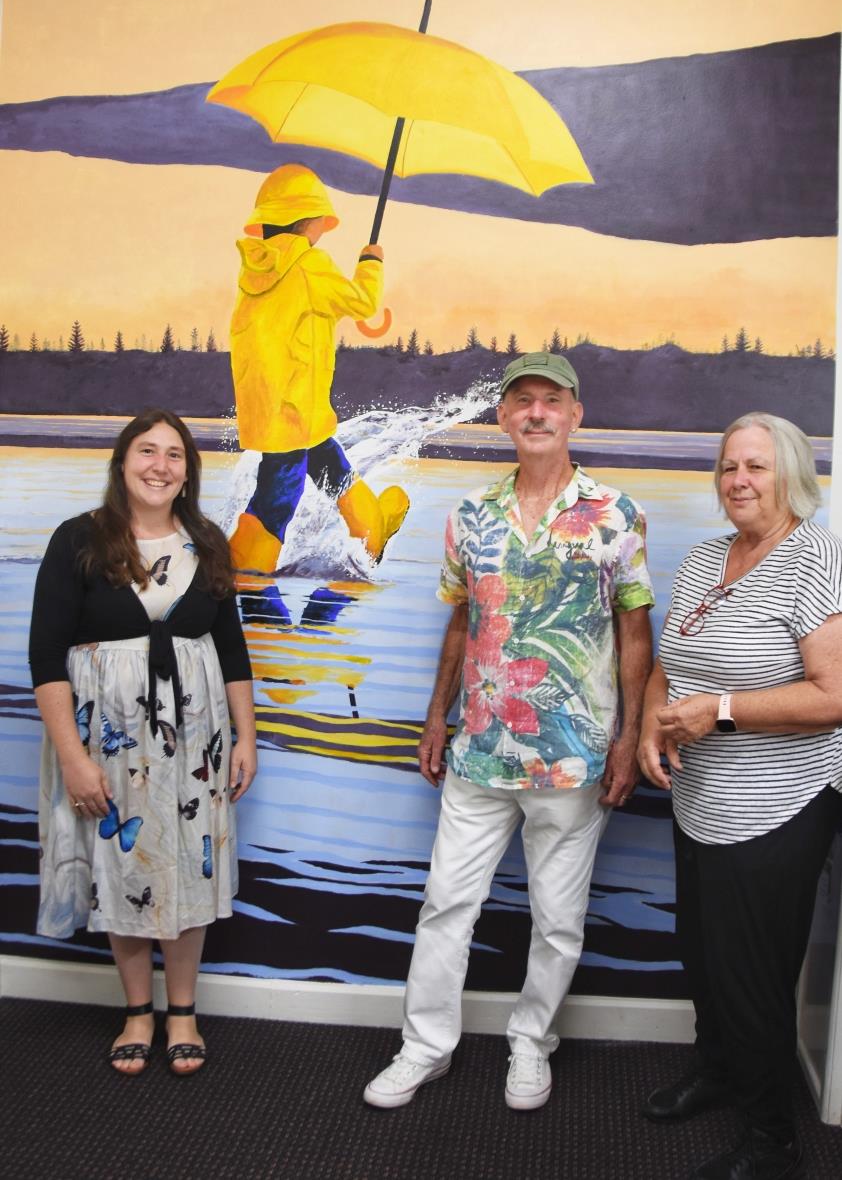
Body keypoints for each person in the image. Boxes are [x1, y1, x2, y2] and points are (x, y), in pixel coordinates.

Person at [363, 351, 654, 1110]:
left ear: (574, 414)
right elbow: (463, 620)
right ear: (503, 417)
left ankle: (531, 1044)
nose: (536, 412)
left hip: (574, 757)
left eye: (551, 400)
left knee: (557, 923)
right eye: (522, 400)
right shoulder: (471, 514)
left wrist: (628, 738)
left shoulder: (616, 513)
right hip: (480, 753)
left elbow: (634, 633)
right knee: (444, 907)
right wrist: (437, 715)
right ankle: (424, 1048)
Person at [638, 412, 842, 1180]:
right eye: (728, 467)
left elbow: (834, 695)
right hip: (700, 800)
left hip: (777, 805)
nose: (739, 481)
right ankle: (719, 1071)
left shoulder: (815, 558)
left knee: (751, 975)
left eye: (756, 466)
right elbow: (669, 663)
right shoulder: (705, 557)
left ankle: (771, 1139)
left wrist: (718, 712)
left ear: (790, 475)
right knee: (703, 954)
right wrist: (652, 727)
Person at [29, 410, 258, 1076]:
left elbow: (231, 649)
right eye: (147, 451)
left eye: (175, 455)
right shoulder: (79, 539)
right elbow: (45, 656)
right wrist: (73, 758)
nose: (160, 466)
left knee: (190, 864)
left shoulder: (207, 541)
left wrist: (246, 738)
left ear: (188, 471)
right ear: (122, 462)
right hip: (108, 743)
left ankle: (182, 1011)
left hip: (197, 742)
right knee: (123, 867)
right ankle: (137, 1011)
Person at [227, 163, 409, 574]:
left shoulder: (254, 269)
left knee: (324, 457)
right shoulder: (310, 265)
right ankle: (245, 566)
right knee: (280, 490)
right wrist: (371, 262)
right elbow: (362, 302)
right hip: (295, 405)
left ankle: (369, 525)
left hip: (268, 404)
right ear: (308, 221)